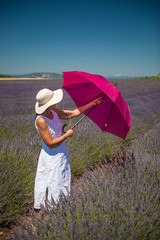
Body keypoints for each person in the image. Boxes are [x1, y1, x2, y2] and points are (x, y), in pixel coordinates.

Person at [34, 88, 102, 210]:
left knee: (61, 177)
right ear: (48, 104)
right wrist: (66, 135)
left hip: (61, 151)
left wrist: (92, 104)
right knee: (52, 179)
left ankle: (60, 204)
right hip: (51, 154)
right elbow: (50, 143)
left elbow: (72, 113)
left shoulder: (53, 112)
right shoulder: (41, 120)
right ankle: (50, 208)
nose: (56, 102)